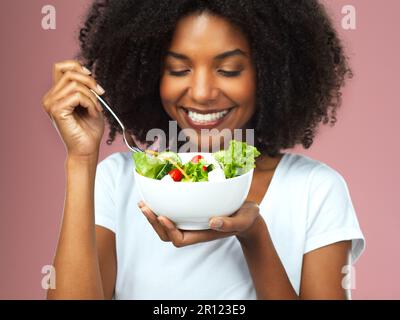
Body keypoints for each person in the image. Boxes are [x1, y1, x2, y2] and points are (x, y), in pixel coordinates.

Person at [42, 0, 365, 300]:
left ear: (270, 74)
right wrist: (81, 159)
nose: (201, 93)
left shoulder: (315, 190)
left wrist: (255, 237)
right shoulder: (118, 180)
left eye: (228, 70)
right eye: (179, 70)